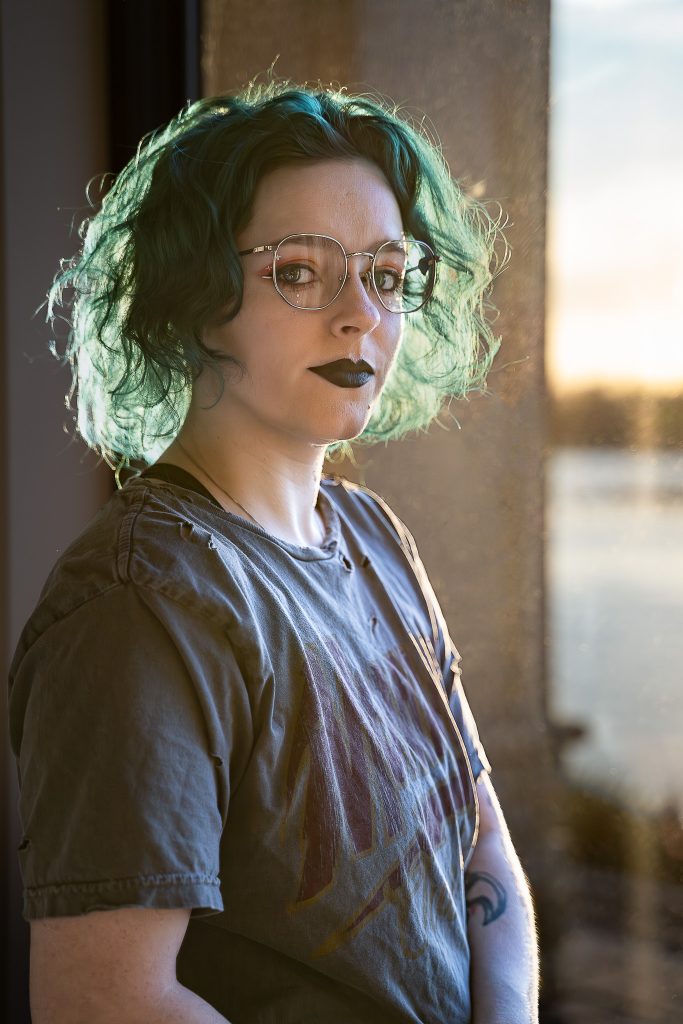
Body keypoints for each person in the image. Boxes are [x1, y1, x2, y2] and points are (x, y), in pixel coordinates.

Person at [8, 78, 539, 1023]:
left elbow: (483, 854)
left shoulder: (374, 538)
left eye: (384, 273)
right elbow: (107, 998)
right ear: (190, 291)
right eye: (299, 270)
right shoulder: (142, 599)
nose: (359, 315)